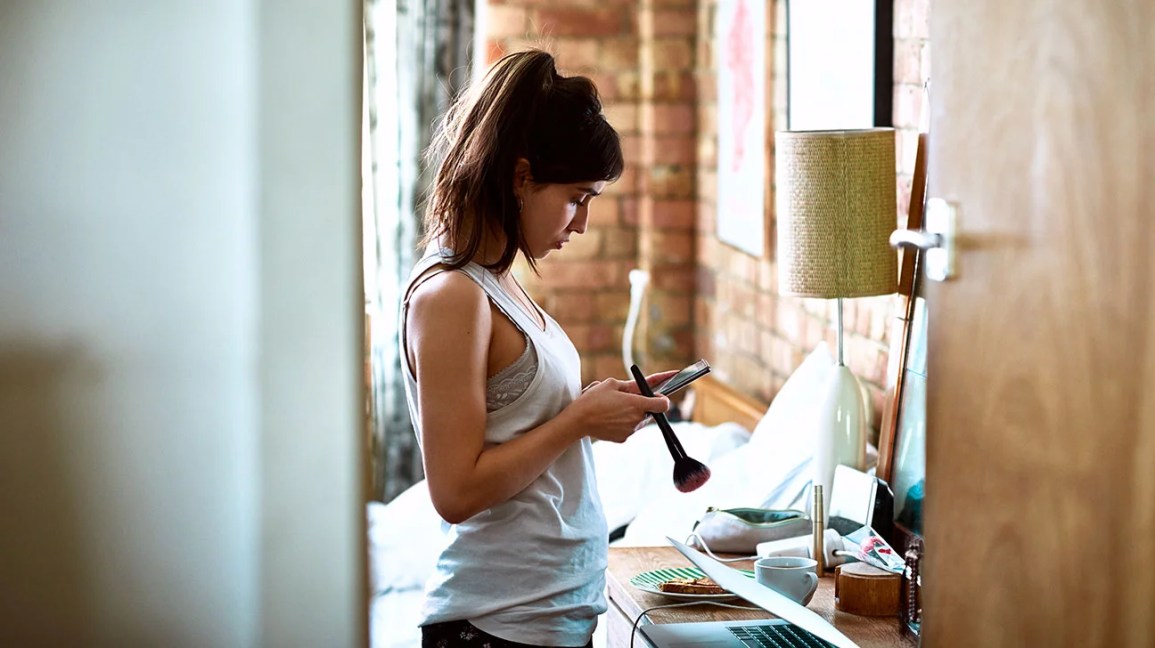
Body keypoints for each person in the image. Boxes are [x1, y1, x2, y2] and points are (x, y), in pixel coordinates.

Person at [399, 49, 676, 647]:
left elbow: (516, 420)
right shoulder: (453, 295)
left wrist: (600, 406)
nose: (580, 224)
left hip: (540, 621)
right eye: (578, 197)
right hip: (497, 625)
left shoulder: (496, 279)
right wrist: (577, 421)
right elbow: (455, 492)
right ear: (522, 176)